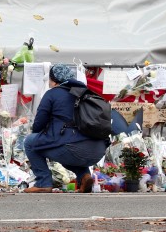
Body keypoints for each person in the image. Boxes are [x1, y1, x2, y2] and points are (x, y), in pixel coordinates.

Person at [23, 64, 108, 193]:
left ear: (54, 80)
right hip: (98, 151)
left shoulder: (52, 94)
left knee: (30, 142)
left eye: (50, 79)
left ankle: (43, 182)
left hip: (71, 147)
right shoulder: (86, 92)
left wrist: (44, 135)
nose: (49, 82)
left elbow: (39, 124)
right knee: (66, 148)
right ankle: (84, 177)